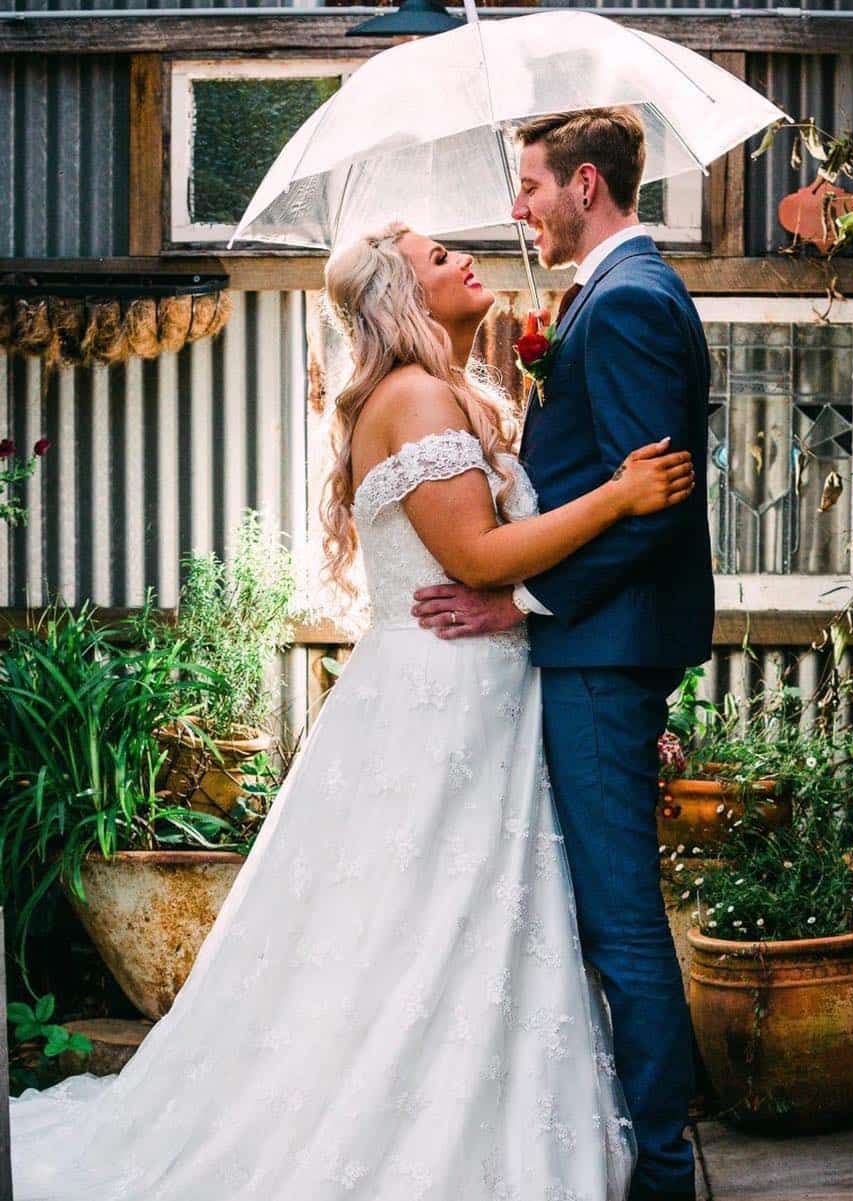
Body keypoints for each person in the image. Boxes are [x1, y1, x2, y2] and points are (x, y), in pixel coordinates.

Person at [8, 220, 693, 1201]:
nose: (465, 259)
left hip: (476, 690)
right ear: (405, 299)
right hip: (446, 701)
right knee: (430, 924)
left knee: (456, 927)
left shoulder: (452, 392)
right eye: (438, 258)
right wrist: (620, 498)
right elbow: (479, 559)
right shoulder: (413, 398)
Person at [411, 108, 714, 1201]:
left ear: (587, 184)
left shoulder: (630, 303)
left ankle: (667, 1168)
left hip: (600, 649)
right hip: (595, 643)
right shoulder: (608, 294)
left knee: (622, 915)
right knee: (602, 907)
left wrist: (524, 598)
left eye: (530, 185)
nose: (517, 206)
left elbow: (650, 508)